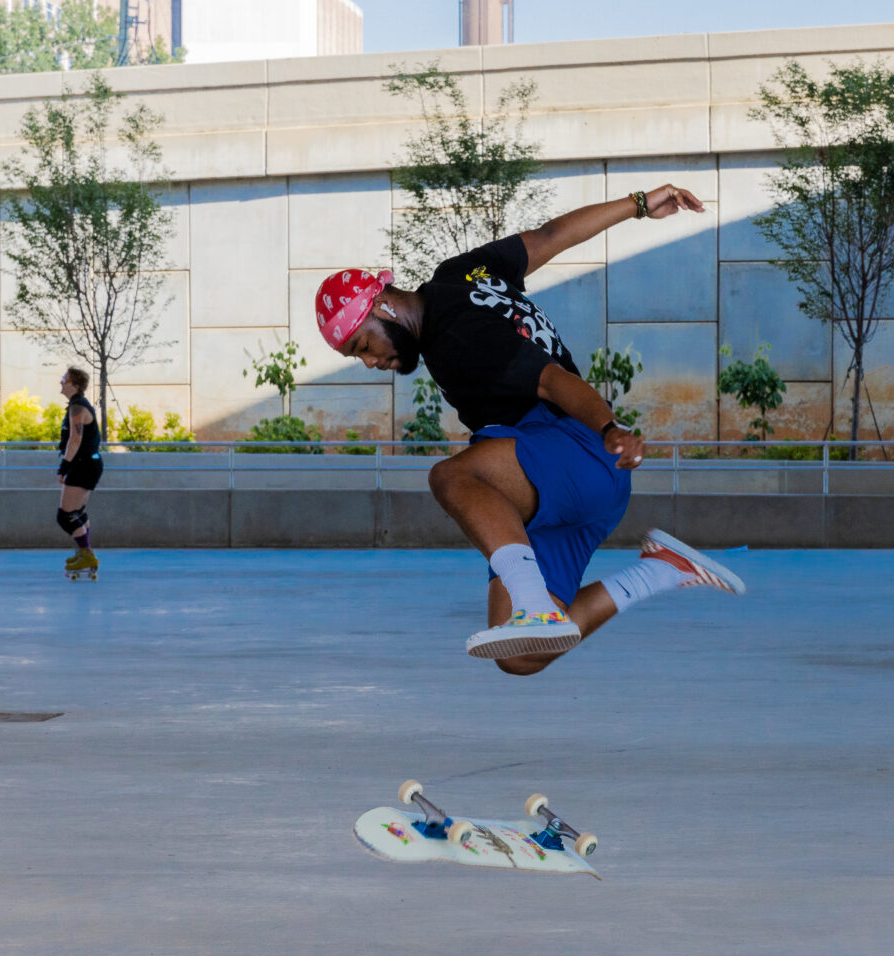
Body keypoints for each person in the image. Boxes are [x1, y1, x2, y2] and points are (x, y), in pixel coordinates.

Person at [314, 185, 746, 674]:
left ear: (384, 307)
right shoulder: (458, 275)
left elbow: (550, 380)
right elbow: (551, 235)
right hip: (567, 477)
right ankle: (660, 571)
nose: (371, 361)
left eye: (362, 345)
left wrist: (608, 427)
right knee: (518, 653)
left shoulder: (456, 337)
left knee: (452, 477)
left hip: (576, 448)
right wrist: (639, 205)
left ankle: (533, 602)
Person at [55, 368, 102, 578]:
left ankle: (86, 554)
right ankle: (85, 552)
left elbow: (75, 440)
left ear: (74, 384)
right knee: (78, 513)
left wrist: (64, 467)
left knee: (65, 517)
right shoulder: (77, 405)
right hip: (86, 464)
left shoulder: (77, 408)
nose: (61, 382)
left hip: (83, 465)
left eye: (65, 380)